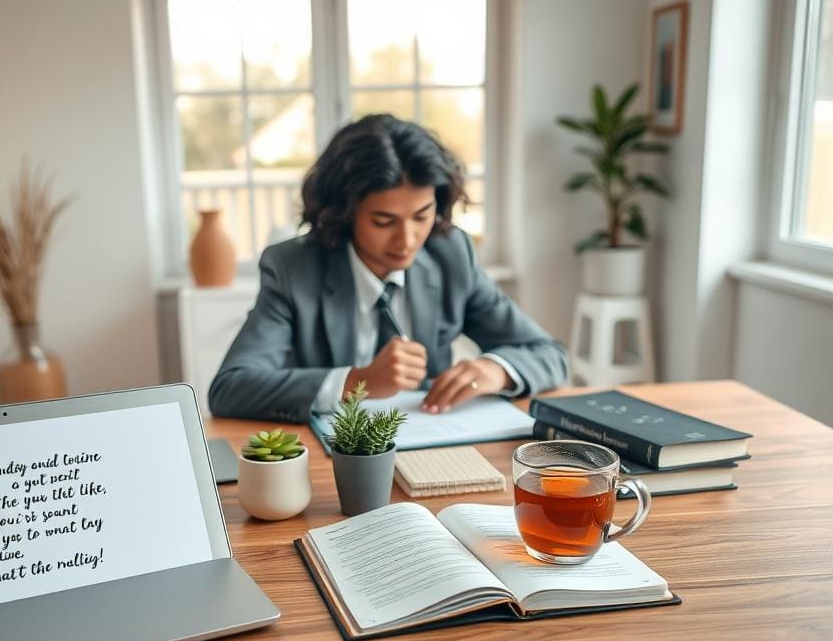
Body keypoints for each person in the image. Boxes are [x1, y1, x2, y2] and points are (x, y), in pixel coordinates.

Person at [208, 114, 568, 423]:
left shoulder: (451, 253)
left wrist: (496, 370)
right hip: (333, 465)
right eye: (384, 221)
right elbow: (230, 388)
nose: (407, 240)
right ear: (344, 214)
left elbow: (549, 354)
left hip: (438, 446)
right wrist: (357, 382)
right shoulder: (292, 268)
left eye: (422, 216)